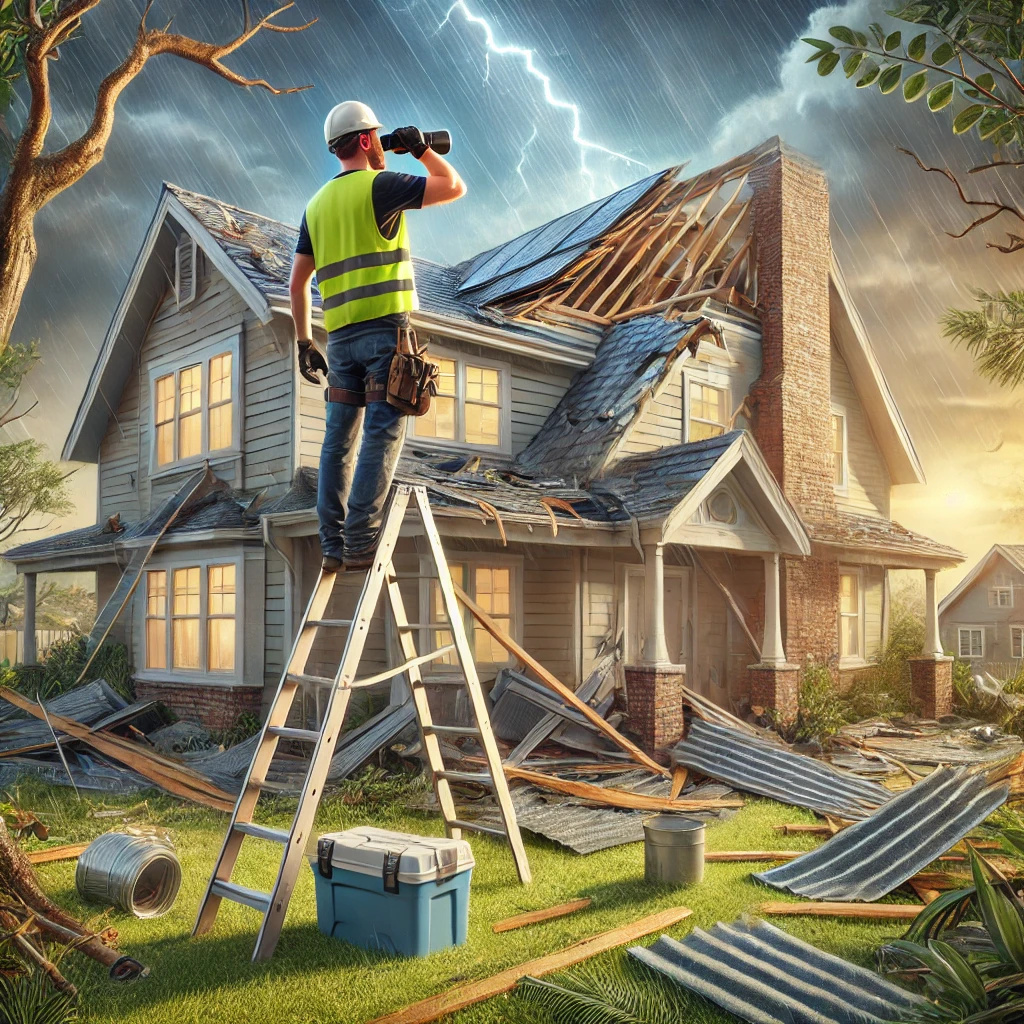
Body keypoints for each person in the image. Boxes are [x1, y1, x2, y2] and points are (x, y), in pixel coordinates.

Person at [289, 101, 466, 572]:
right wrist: (423, 151)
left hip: (340, 340)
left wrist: (305, 342)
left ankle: (331, 544)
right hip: (386, 334)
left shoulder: (316, 206)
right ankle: (361, 541)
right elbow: (454, 186)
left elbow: (297, 284)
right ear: (367, 140)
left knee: (337, 442)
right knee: (382, 432)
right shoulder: (382, 186)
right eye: (377, 136)